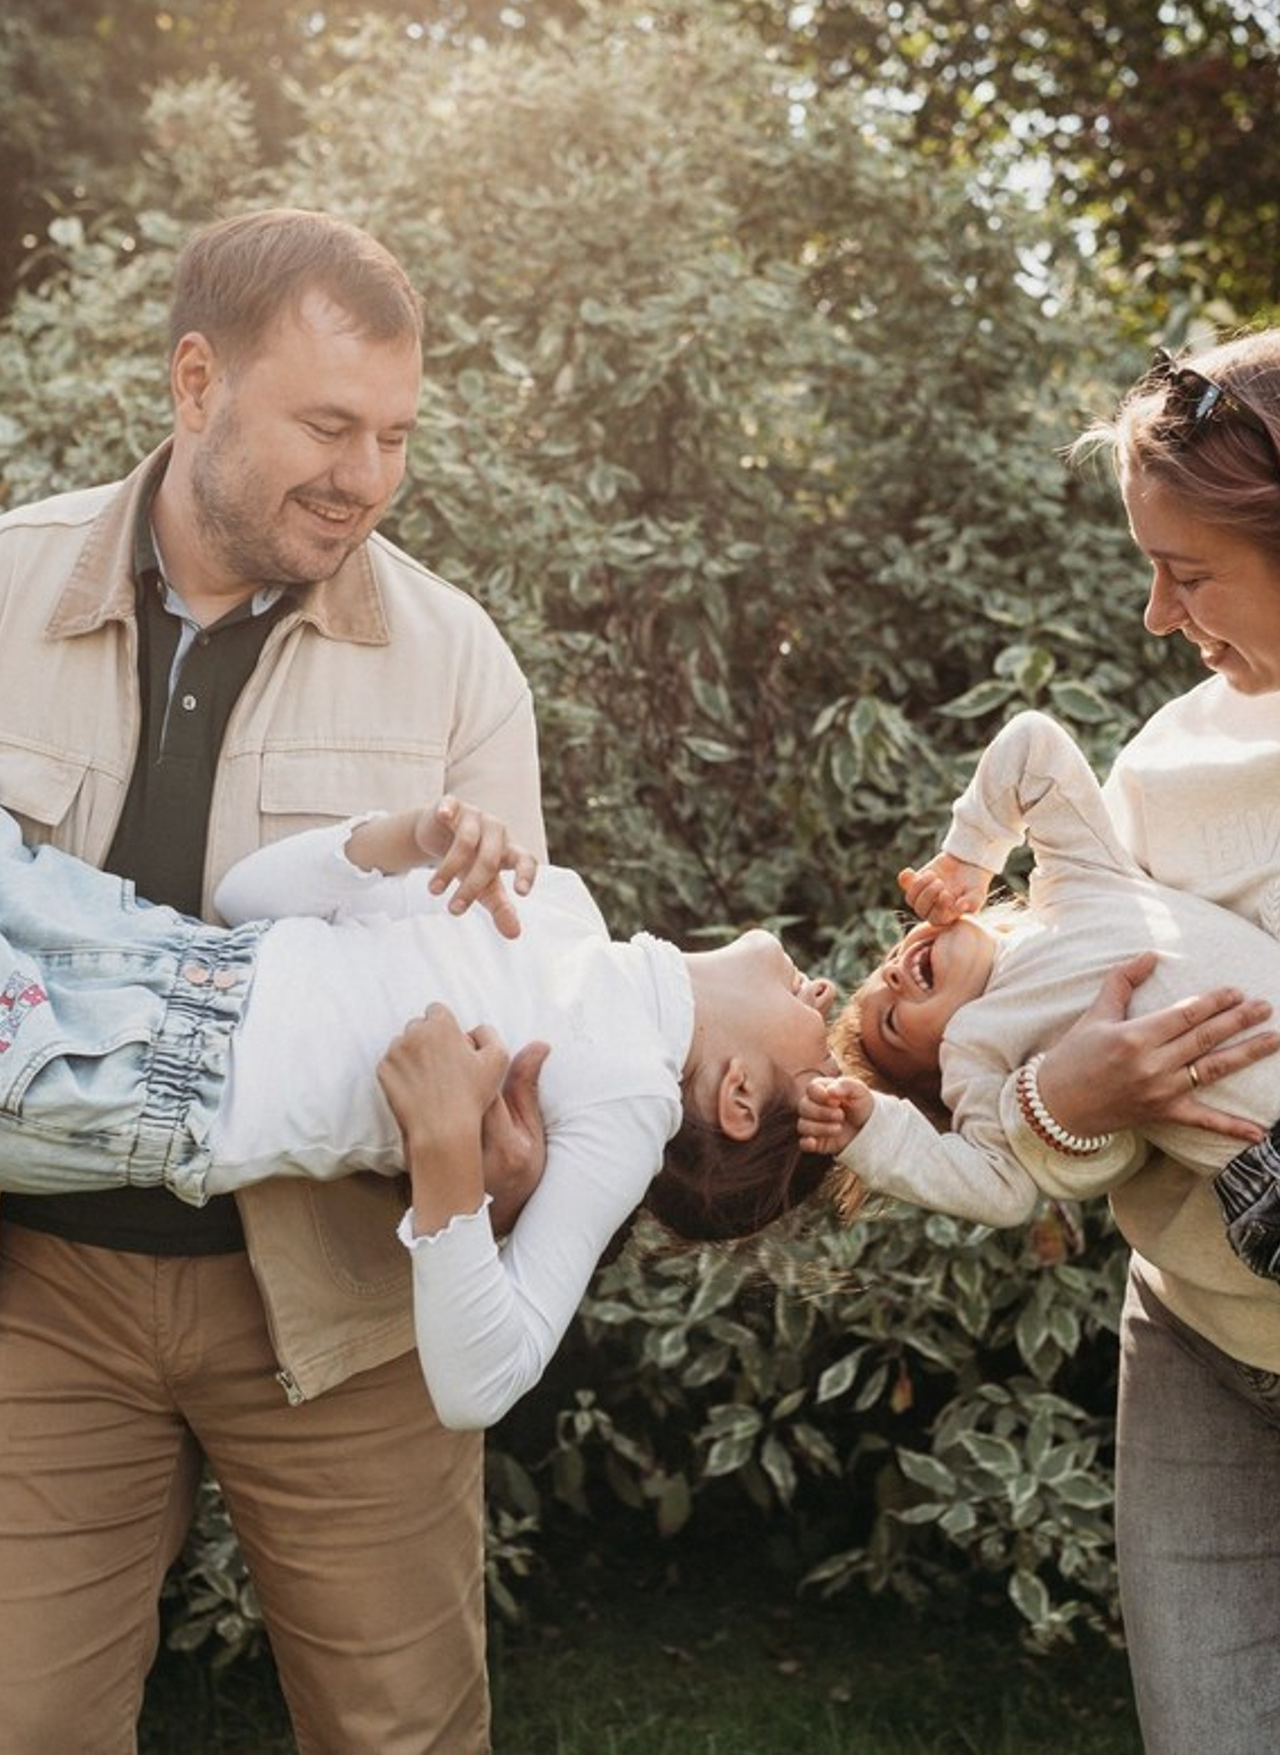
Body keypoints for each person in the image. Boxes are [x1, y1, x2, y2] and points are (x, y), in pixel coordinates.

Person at [0, 208, 547, 1753]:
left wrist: (507, 1145)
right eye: (327, 425)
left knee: (403, 1737)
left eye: (392, 435)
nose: (365, 479)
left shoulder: (456, 663)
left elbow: (508, 1004)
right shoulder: (4, 586)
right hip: (40, 1300)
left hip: (342, 1301)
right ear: (194, 385)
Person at [857, 333, 1280, 1755]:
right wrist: (1055, 1099)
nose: (1158, 616)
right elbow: (1055, 1026)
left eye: (1190, 570)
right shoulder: (1171, 757)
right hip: (1199, 1336)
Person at [0, 793, 836, 1431]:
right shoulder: (563, 910)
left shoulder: (631, 1102)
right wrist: (405, 841)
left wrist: (446, 1154)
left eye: (824, 1050)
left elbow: (482, 1385)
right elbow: (243, 897)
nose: (827, 994)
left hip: (130, 1068)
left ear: (738, 1098)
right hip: (135, 939)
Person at [797, 710, 1278, 1264]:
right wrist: (875, 1131)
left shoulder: (1075, 879)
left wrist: (970, 854)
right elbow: (1001, 1190)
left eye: (887, 964)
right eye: (891, 1018)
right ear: (942, 1071)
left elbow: (1032, 744)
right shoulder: (978, 1052)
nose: (895, 973)